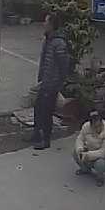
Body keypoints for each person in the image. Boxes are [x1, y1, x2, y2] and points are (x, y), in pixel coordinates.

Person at [30, 14, 70, 149]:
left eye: (46, 22)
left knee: (47, 111)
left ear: (51, 25)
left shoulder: (59, 43)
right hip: (45, 82)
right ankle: (36, 134)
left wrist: (59, 82)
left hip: (52, 83)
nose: (43, 24)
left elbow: (63, 65)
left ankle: (45, 139)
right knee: (38, 108)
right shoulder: (48, 39)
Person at [73, 107, 105, 185]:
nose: (96, 123)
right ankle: (85, 169)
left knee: (101, 164)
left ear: (101, 120)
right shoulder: (86, 126)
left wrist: (89, 155)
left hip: (100, 156)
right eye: (93, 120)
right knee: (75, 152)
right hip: (87, 150)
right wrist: (80, 149)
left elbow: (104, 151)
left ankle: (100, 176)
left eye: (97, 120)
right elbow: (79, 139)